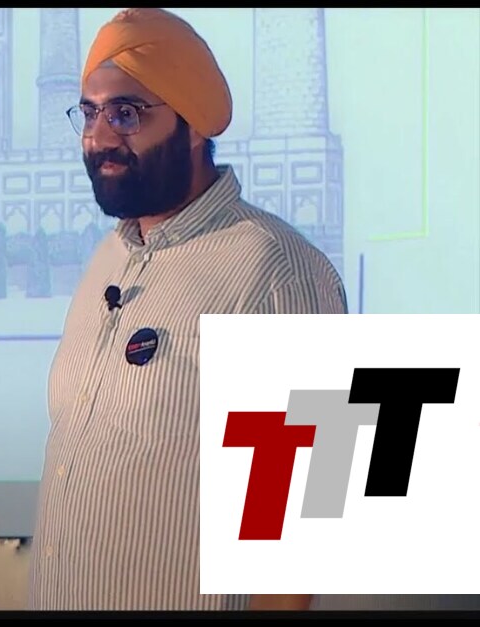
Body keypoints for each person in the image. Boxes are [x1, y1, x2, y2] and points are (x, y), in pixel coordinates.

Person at [26, 7, 347, 611]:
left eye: (126, 114)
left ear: (193, 122)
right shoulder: (109, 258)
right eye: (90, 114)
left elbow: (299, 538)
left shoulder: (276, 271)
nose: (100, 138)